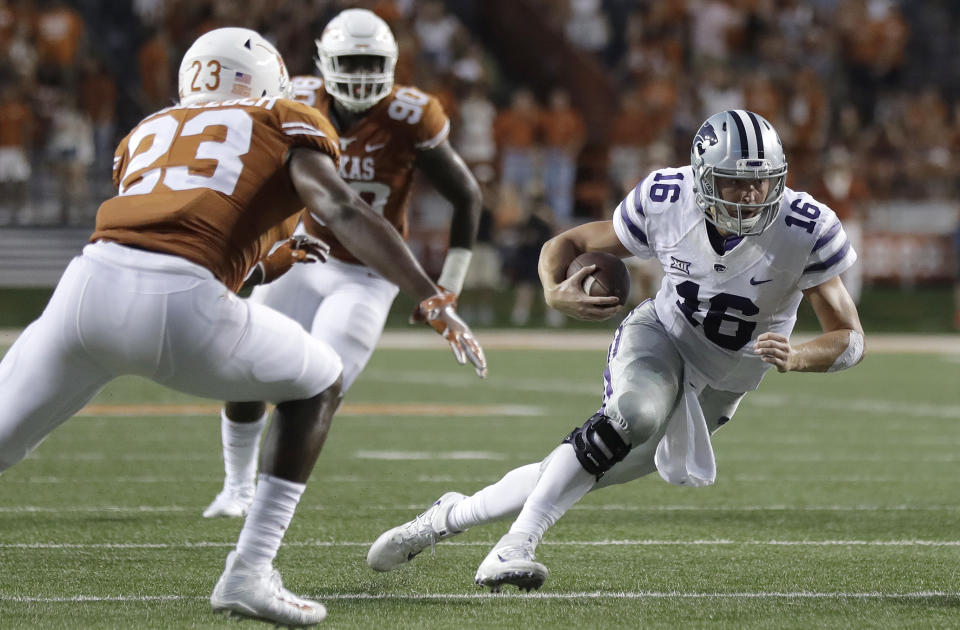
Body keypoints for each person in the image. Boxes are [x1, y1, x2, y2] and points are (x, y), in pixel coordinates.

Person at [0, 26, 485, 627]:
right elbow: (339, 208)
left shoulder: (144, 132)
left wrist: (265, 259)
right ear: (267, 81)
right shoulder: (281, 116)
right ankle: (250, 571)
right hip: (179, 300)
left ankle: (237, 502)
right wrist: (430, 295)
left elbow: (175, 227)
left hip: (84, 289)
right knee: (318, 380)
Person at [366, 110, 864, 592]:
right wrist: (552, 289)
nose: (751, 195)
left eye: (761, 180)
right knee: (633, 415)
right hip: (663, 335)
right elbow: (571, 241)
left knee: (585, 468)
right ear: (703, 178)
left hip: (727, 381)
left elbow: (850, 338)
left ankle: (448, 516)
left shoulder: (806, 226)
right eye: (734, 181)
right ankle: (514, 546)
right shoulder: (670, 199)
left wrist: (799, 356)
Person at [202, 8, 483, 520]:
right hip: (304, 256)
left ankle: (268, 512)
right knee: (243, 367)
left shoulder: (412, 115)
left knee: (319, 386)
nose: (358, 75)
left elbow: (467, 196)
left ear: (393, 63)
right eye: (349, 62)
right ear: (323, 62)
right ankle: (236, 489)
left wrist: (450, 286)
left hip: (370, 274)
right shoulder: (295, 99)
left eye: (370, 62)